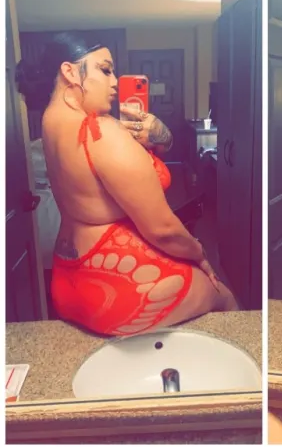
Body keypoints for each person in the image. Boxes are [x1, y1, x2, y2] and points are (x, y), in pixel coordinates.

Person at [16, 33, 238, 337]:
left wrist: (160, 135)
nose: (115, 82)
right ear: (70, 72)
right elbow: (163, 229)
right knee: (224, 297)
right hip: (114, 288)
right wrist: (200, 254)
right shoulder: (101, 131)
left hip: (67, 278)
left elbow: (122, 152)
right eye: (105, 70)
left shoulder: (50, 125)